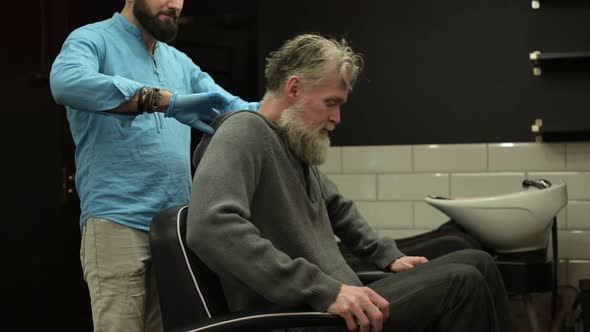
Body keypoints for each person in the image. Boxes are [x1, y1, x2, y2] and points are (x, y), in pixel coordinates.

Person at [186, 33, 516, 332]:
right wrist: (322, 289)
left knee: (478, 261)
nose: (337, 118)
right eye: (331, 103)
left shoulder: (293, 144)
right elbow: (211, 227)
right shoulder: (243, 131)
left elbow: (338, 208)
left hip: (337, 303)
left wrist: (386, 255)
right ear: (295, 88)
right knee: (462, 283)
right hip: (303, 315)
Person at [49, 0, 260, 331]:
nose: (174, 4)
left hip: (173, 229)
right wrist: (161, 100)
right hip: (116, 220)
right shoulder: (92, 40)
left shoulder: (180, 62)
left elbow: (235, 110)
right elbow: (65, 83)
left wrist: (292, 106)